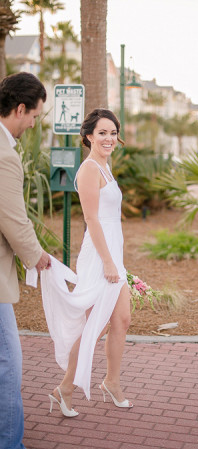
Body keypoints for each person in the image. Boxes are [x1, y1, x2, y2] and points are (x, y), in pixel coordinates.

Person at [39, 109, 133, 417]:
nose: (108, 138)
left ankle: (111, 382)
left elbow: (111, 220)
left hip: (112, 254)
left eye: (112, 132)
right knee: (94, 323)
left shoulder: (106, 168)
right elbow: (92, 218)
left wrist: (117, 259)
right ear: (89, 136)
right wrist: (108, 262)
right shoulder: (90, 169)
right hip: (99, 256)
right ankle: (65, 388)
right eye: (102, 132)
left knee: (121, 320)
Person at [0, 72, 51, 449]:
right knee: (8, 364)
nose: (34, 124)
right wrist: (37, 256)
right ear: (20, 109)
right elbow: (14, 218)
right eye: (34, 116)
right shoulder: (4, 155)